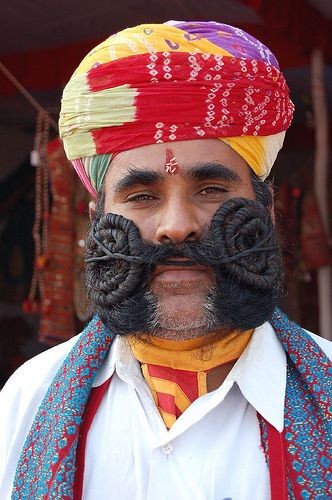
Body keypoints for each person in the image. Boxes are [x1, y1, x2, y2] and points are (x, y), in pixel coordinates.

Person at [0, 20, 331, 500]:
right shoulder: (25, 404)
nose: (176, 225)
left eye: (212, 189)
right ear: (97, 220)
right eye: (141, 195)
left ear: (266, 208)